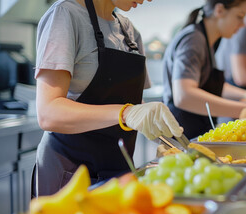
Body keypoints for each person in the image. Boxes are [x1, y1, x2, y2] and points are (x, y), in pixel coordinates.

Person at [34, 0, 183, 196]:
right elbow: (48, 113)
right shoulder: (65, 15)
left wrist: (167, 136)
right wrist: (125, 113)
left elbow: (131, 102)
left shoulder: (128, 30)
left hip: (118, 170)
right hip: (70, 175)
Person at [163, 0, 246, 139]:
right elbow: (184, 96)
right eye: (240, 16)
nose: (243, 24)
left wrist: (245, 95)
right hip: (183, 133)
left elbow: (208, 86)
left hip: (196, 131)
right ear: (219, 10)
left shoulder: (207, 40)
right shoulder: (193, 39)